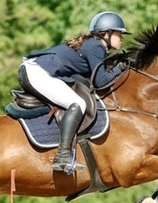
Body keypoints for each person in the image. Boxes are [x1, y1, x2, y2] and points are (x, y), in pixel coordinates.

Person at [18, 11, 131, 173]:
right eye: (119, 33)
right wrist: (120, 69)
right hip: (37, 72)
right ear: (106, 33)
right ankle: (63, 156)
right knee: (77, 103)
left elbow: (92, 77)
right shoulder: (96, 46)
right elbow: (100, 82)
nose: (122, 38)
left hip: (32, 69)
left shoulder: (93, 44)